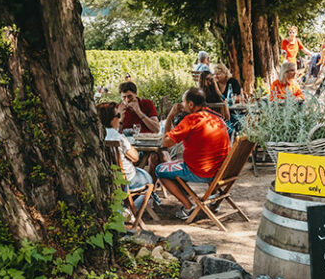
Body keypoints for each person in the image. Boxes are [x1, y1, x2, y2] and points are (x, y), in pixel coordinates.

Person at [156, 87, 230, 220]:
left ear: (191, 104)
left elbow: (166, 142)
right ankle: (213, 202)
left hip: (200, 171)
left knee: (160, 170)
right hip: (220, 170)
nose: (182, 105)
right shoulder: (216, 118)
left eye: (183, 102)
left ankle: (188, 206)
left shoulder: (191, 120)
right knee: (178, 163)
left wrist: (171, 115)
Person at [98, 102, 160, 213]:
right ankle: (131, 209)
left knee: (140, 170)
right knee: (149, 180)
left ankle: (126, 207)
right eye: (118, 116)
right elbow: (135, 158)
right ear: (112, 120)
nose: (120, 118)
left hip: (106, 179)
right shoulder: (119, 137)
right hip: (125, 180)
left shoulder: (96, 135)